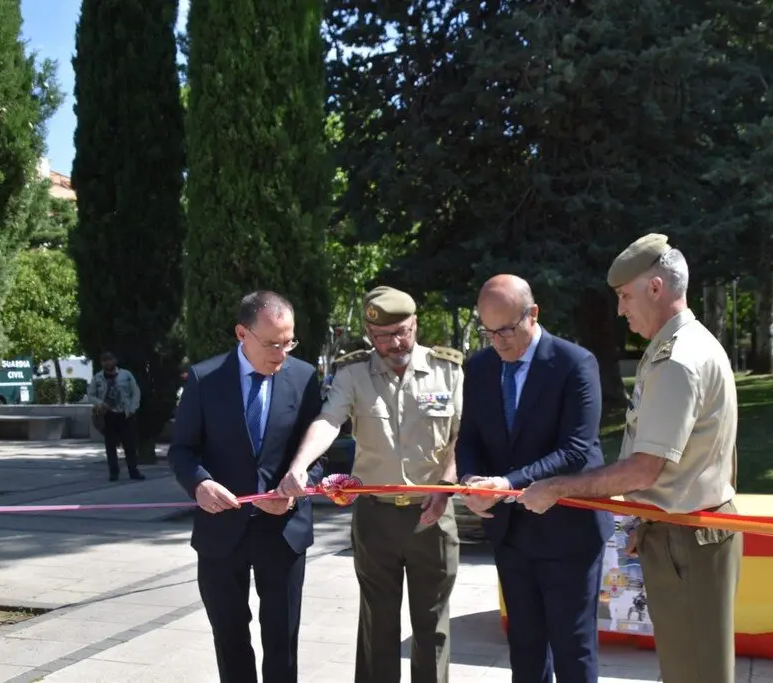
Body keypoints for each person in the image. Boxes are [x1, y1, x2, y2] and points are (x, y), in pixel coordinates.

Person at [518, 233, 742, 683]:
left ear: (655, 288)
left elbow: (645, 468)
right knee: (688, 667)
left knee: (695, 672)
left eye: (624, 296)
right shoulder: (680, 346)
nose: (620, 310)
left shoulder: (677, 360)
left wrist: (558, 487)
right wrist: (644, 517)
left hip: (688, 541)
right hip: (684, 534)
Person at [277, 285, 464, 683]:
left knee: (432, 626)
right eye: (383, 336)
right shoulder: (353, 374)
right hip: (375, 518)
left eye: (402, 332)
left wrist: (445, 484)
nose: (395, 343)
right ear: (368, 332)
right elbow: (329, 420)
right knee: (377, 623)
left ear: (415, 324)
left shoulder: (448, 370)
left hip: (432, 514)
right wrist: (300, 465)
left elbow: (463, 435)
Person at [455, 274, 614, 683]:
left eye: (506, 329)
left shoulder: (574, 363)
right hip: (512, 534)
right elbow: (469, 437)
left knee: (571, 648)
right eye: (488, 331)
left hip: (568, 530)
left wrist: (507, 484)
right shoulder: (479, 367)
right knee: (524, 649)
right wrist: (471, 481)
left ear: (533, 314)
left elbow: (576, 450)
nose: (498, 341)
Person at [167, 290, 326, 683]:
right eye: (272, 343)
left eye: (289, 341)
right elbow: (182, 451)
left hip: (283, 532)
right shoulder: (205, 379)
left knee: (282, 641)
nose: (282, 352)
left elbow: (319, 455)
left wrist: (298, 486)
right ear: (242, 333)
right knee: (230, 638)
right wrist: (200, 485)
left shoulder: (304, 377)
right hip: (221, 534)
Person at [86, 351, 143, 481]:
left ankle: (133, 471)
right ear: (102, 363)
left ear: (115, 361)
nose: (108, 363)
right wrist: (100, 404)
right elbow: (91, 395)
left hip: (125, 414)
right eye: (105, 360)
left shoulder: (125, 375)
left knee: (130, 445)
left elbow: (135, 392)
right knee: (110, 446)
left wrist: (133, 408)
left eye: (110, 360)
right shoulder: (98, 378)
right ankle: (114, 472)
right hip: (108, 415)